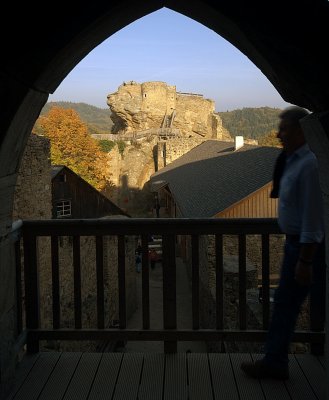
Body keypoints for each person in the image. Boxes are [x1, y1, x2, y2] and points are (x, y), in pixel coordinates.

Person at [241, 106, 326, 380]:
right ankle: (275, 361)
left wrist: (306, 259)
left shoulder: (310, 164)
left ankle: (274, 363)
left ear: (301, 131)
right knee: (286, 306)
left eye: (285, 129)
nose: (278, 134)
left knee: (290, 306)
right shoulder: (291, 160)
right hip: (296, 245)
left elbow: (313, 216)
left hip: (305, 248)